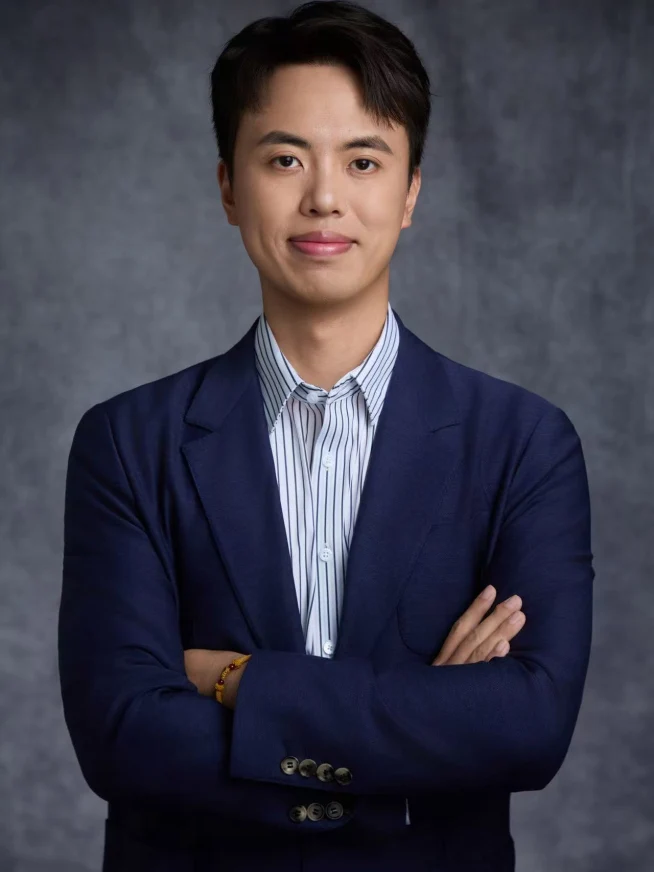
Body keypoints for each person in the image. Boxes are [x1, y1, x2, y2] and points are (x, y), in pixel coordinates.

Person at [58, 2, 594, 870]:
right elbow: (124, 736)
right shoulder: (128, 442)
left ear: (411, 190)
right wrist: (421, 735)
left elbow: (529, 728)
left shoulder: (522, 443)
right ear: (229, 184)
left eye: (363, 159)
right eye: (284, 158)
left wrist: (231, 680)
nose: (324, 198)